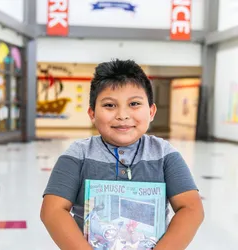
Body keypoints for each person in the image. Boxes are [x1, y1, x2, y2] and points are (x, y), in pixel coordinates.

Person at [40, 59, 204, 250]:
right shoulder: (78, 154)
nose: (122, 115)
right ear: (92, 113)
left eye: (134, 103)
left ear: (151, 111)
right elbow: (52, 211)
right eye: (110, 105)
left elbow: (192, 209)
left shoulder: (164, 154)